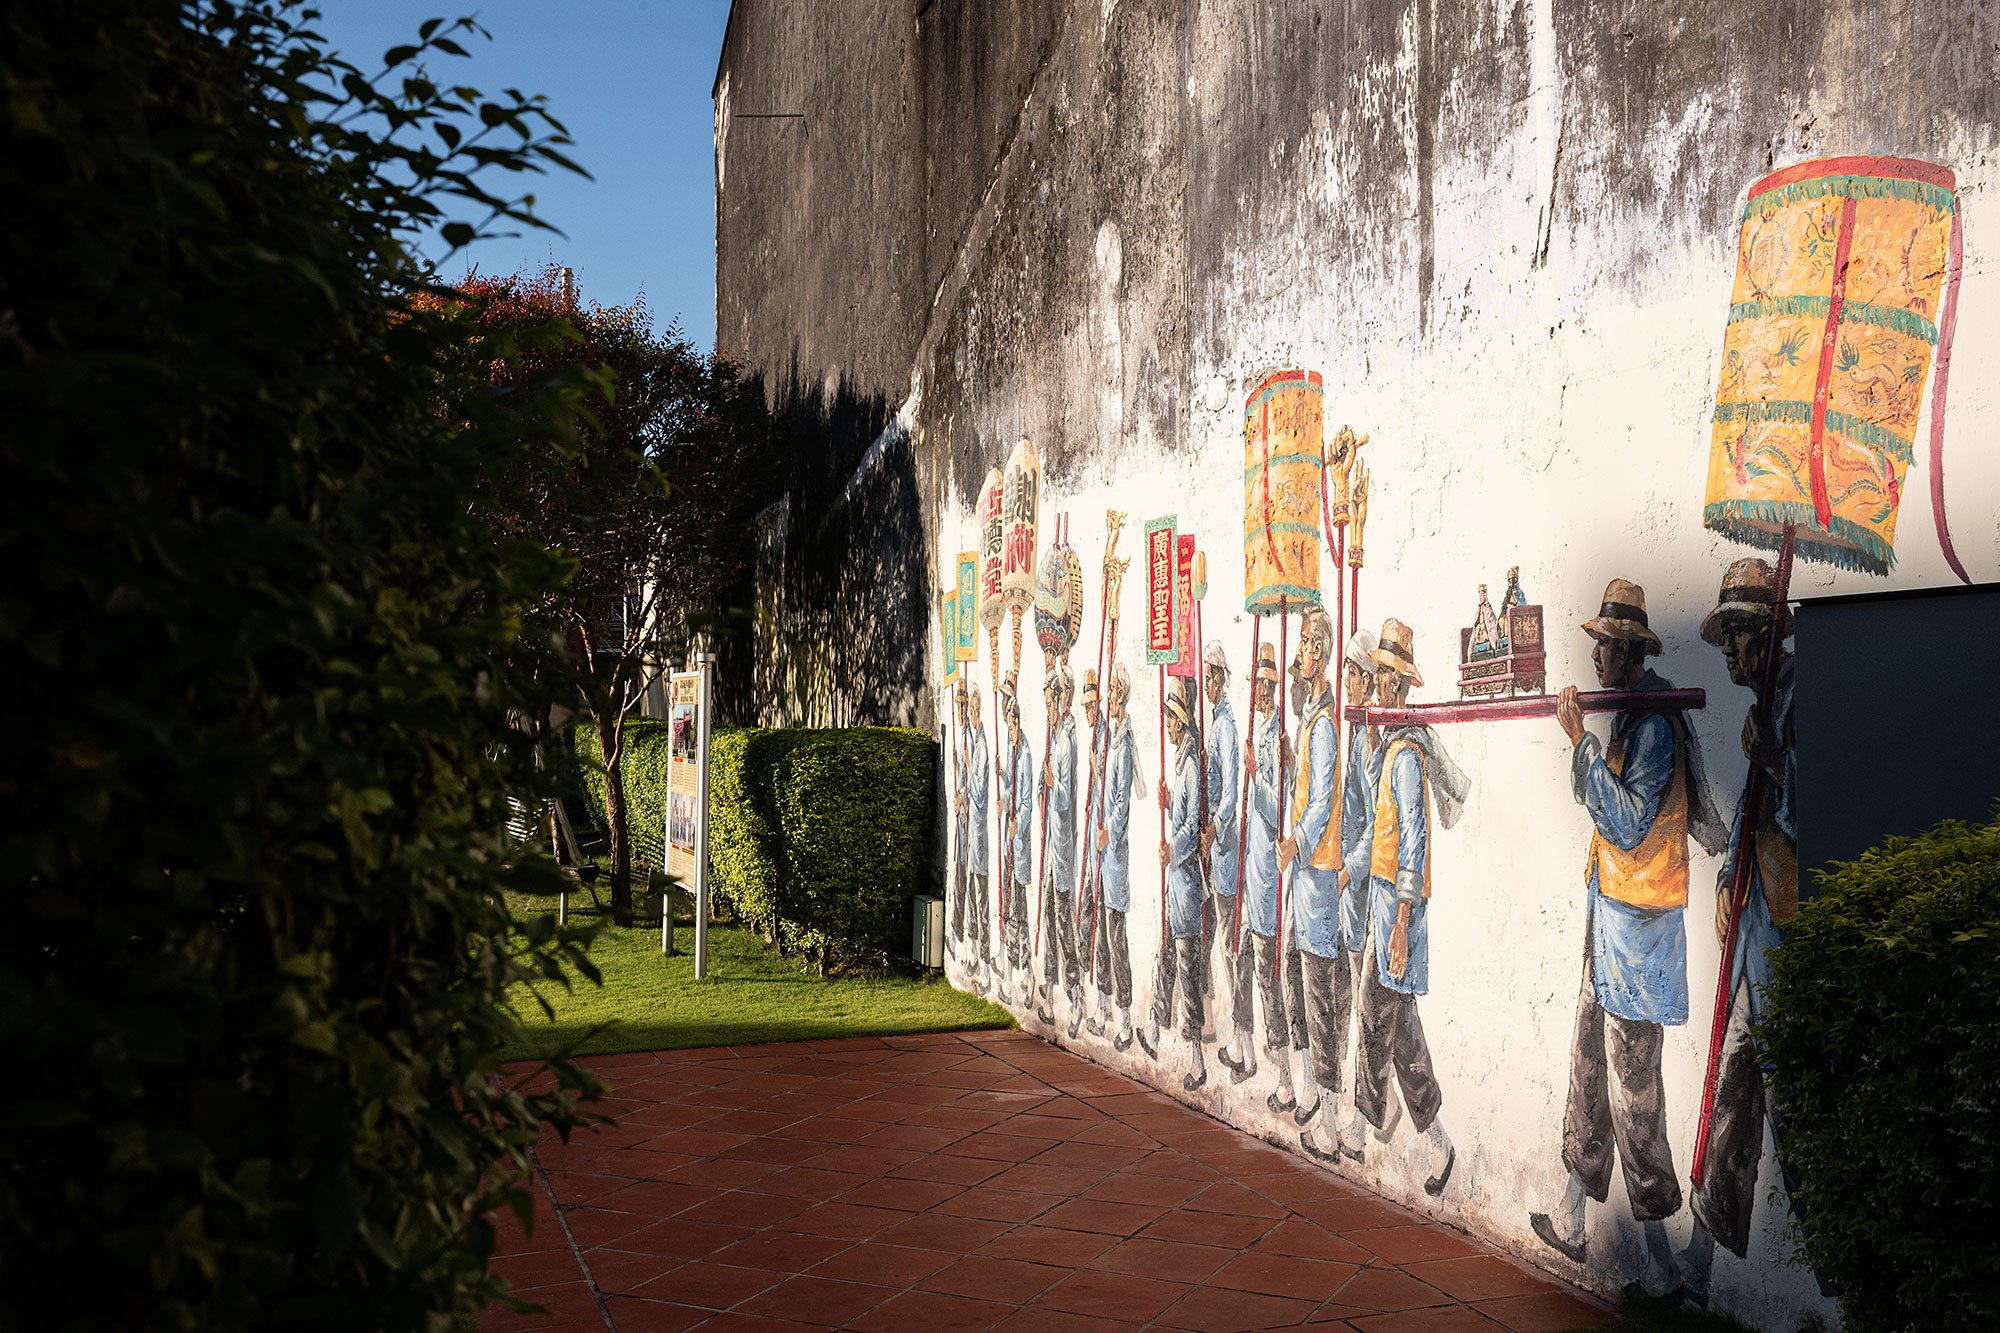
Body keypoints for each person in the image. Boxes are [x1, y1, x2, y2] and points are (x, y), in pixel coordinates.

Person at [1528, 579, 1724, 1300]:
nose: (1596, 657)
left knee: (1634, 1099)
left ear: (1626, 650)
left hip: (1637, 947)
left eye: (1603, 646)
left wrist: (1578, 743)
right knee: (1589, 1075)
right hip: (1606, 933)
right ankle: (1575, 1216)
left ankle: (1664, 1270)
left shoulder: (1651, 728)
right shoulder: (1633, 717)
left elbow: (1629, 823)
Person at [1681, 557, 1820, 1305]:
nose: (1730, 653)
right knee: (1728, 1093)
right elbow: (1754, 806)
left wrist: (1776, 758)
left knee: (1796, 1109)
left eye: (1737, 636)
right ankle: (1701, 1265)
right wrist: (1730, 871)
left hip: (1788, 937)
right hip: (1754, 927)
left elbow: (1812, 806)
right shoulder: (1767, 702)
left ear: (1767, 635)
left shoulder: (1804, 697)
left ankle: (1836, 1286)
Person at [1358, 617, 1470, 1197]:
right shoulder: (1388, 748)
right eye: (1378, 676)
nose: (1381, 688)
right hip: (1383, 905)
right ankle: (1406, 1131)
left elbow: (1414, 844)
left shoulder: (1405, 757)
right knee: (1390, 1024)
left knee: (1385, 1020)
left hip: (1399, 910)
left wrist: (1400, 922)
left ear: (1402, 688)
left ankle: (1386, 1126)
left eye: (1388, 680)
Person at [1276, 606, 1353, 1162]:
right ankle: (1309, 1091)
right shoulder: (1308, 721)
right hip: (1303, 882)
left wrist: (1296, 841)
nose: (1299, 652)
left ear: (1320, 656)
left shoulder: (1324, 725)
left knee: (1321, 999)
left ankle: (1328, 1119)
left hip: (1319, 878)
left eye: (1306, 644)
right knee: (1297, 988)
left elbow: (1323, 799)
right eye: (1300, 641)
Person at [1329, 628, 1383, 1160]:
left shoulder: (1370, 738)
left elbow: (1372, 824)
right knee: (1358, 1013)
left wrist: (1350, 867)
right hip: (1348, 898)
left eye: (1352, 673)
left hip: (1367, 898)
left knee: (1370, 1017)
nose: (1345, 681)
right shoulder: (1354, 731)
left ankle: (1361, 1126)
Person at [1241, 643, 1302, 1111]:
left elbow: (1275, 805)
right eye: (1257, 686)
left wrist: (1258, 772)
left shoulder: (1277, 734)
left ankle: (1286, 1078)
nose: (1260, 693)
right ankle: (1258, 1054)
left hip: (1268, 878)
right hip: (1253, 873)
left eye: (1265, 686)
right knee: (1252, 970)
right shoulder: (1261, 728)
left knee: (1271, 978)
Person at [1143, 678, 1208, 1090]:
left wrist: (1176, 849)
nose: (1166, 724)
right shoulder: (1182, 762)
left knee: (1186, 968)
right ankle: (1153, 1025)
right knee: (1166, 957)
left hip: (1185, 885)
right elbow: (1181, 811)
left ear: (1181, 722)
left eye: (1170, 717)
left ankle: (1196, 1053)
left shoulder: (1191, 765)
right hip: (1175, 887)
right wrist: (1168, 803)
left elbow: (1192, 821)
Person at [1201, 642, 1252, 1080]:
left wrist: (1215, 826)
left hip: (1229, 851)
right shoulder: (1216, 724)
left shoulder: (1227, 728)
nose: (1208, 685)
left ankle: (1244, 1041)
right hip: (1220, 854)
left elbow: (1230, 793)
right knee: (1225, 948)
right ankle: (1241, 1037)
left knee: (1233, 949)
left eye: (1212, 677)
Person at [1088, 662, 1140, 1047]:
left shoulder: (1122, 744)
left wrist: (1111, 831)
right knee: (1104, 936)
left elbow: (1122, 802)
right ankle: (1105, 1004)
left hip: (1116, 856)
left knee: (1116, 936)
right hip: (1103, 856)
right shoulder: (1109, 740)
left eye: (1116, 693)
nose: (1113, 700)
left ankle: (1124, 1012)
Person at [1038, 665, 1082, 1032]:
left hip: (1064, 852)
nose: (1048, 710)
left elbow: (1066, 798)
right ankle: (1051, 992)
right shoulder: (1056, 737)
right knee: (1052, 920)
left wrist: (1054, 783)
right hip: (1054, 849)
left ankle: (1075, 991)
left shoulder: (1066, 741)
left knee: (1064, 926)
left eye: (1051, 702)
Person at [998, 673, 1034, 1006]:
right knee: (1010, 905)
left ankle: (1025, 967)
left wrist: (1017, 824)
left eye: (1011, 726)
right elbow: (1012, 791)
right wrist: (1002, 786)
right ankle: (1011, 961)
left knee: (1020, 906)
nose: (1009, 732)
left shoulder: (1026, 756)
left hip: (1020, 845)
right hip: (1011, 844)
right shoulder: (1012, 754)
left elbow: (1026, 801)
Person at [958, 674, 992, 996]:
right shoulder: (970, 740)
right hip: (969, 835)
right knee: (970, 895)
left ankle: (983, 958)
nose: (968, 714)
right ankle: (972, 956)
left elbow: (981, 792)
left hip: (979, 835)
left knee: (981, 898)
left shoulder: (980, 747)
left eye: (971, 710)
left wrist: (969, 766)